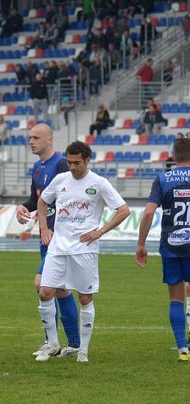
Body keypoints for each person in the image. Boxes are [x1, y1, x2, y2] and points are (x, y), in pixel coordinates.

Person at [36, 141, 130, 362]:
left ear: (87, 160)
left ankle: (83, 351)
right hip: (58, 247)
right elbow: (42, 202)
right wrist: (44, 228)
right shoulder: (60, 180)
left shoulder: (99, 183)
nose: (72, 167)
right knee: (44, 292)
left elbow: (123, 210)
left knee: (85, 298)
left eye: (76, 162)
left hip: (84, 250)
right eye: (69, 162)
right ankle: (53, 344)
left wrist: (100, 231)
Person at [136, 138, 190, 363]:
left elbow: (148, 213)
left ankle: (182, 349)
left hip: (170, 246)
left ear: (173, 156)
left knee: (175, 299)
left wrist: (141, 244)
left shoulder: (162, 179)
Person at [16, 124, 80, 359]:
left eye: (36, 137)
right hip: (46, 236)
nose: (31, 141)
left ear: (50, 139)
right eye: (29, 138)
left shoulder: (62, 164)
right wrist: (24, 206)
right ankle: (73, 344)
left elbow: (71, 198)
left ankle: (50, 343)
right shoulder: (37, 167)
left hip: (58, 237)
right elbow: (37, 199)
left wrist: (57, 227)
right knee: (60, 290)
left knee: (42, 285)